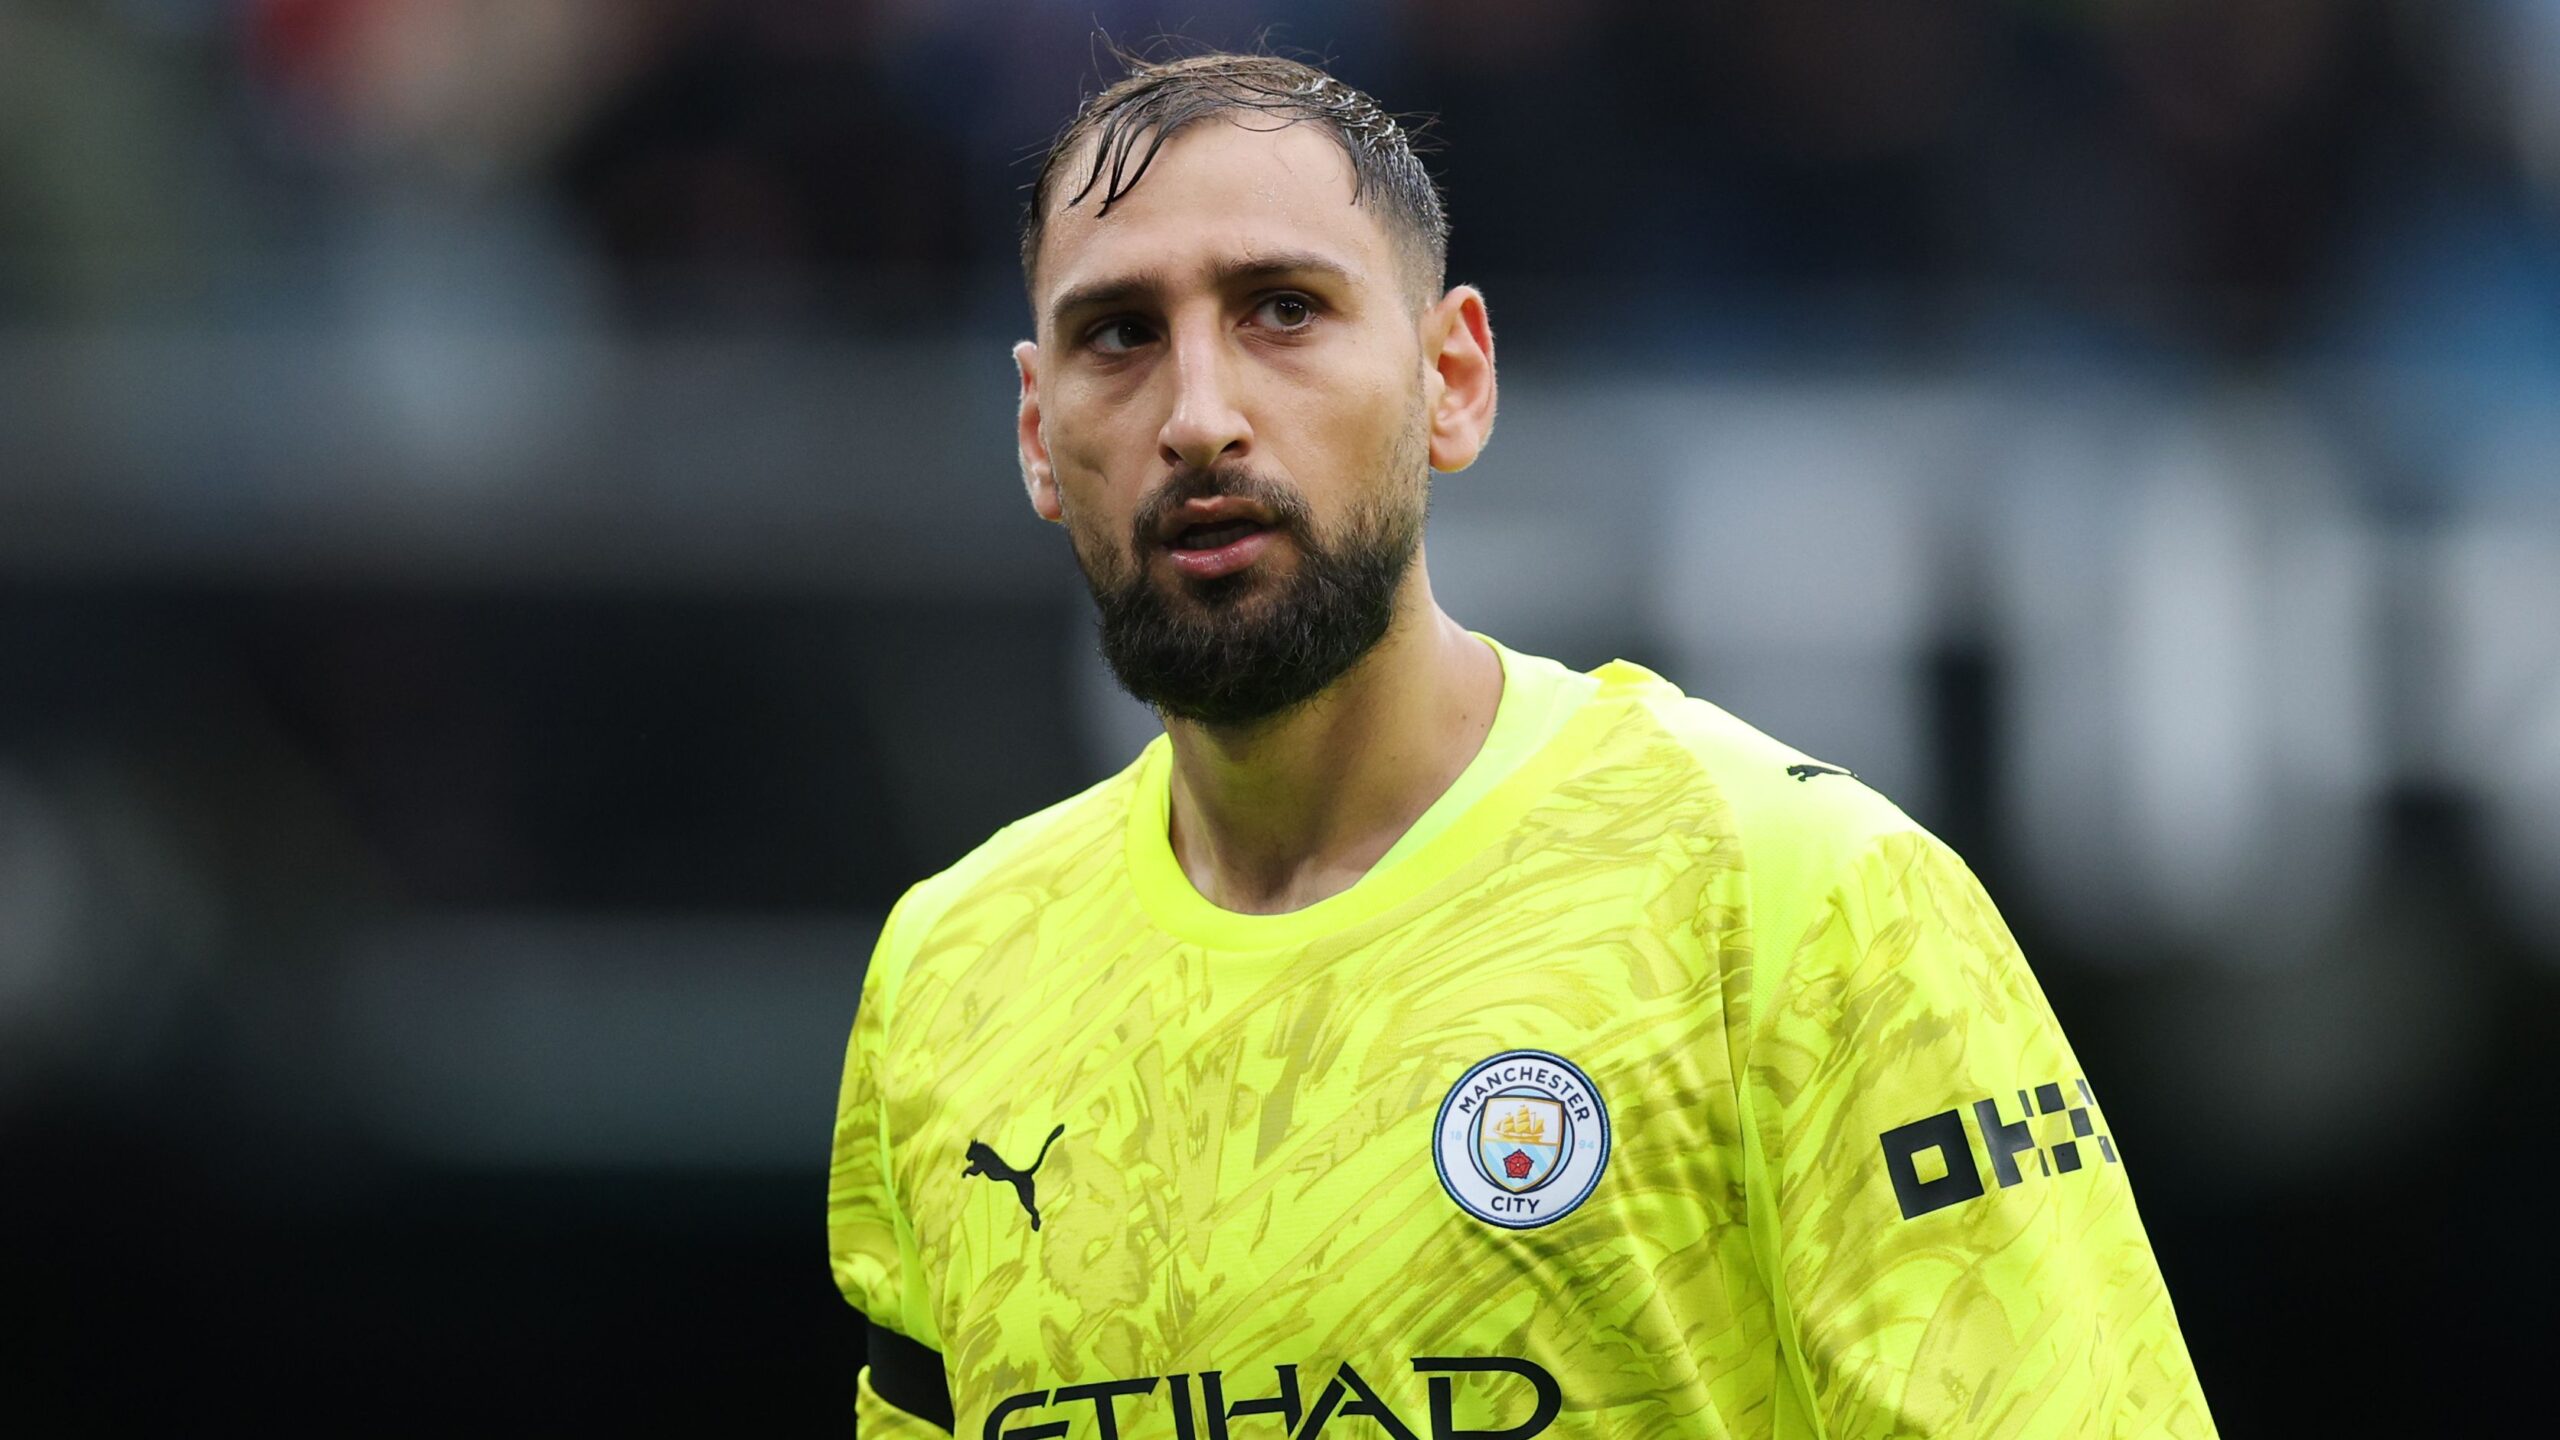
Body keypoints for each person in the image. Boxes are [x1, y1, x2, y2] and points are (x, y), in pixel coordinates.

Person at [828, 51, 2215, 1440]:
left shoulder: (1799, 900)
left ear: (1453, 379)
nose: (1199, 417)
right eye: (1120, 335)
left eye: (1284, 311)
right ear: (1037, 432)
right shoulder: (950, 975)